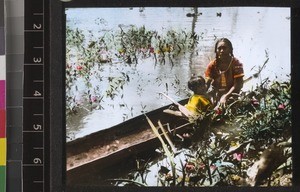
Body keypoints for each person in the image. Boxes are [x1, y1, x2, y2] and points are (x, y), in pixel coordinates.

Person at [205, 38, 244, 108]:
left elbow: (238, 85)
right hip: (216, 92)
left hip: (232, 92)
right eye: (219, 48)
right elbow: (207, 84)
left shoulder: (236, 63)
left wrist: (225, 96)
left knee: (224, 107)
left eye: (224, 48)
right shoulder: (212, 65)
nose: (222, 51)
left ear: (230, 49)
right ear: (216, 51)